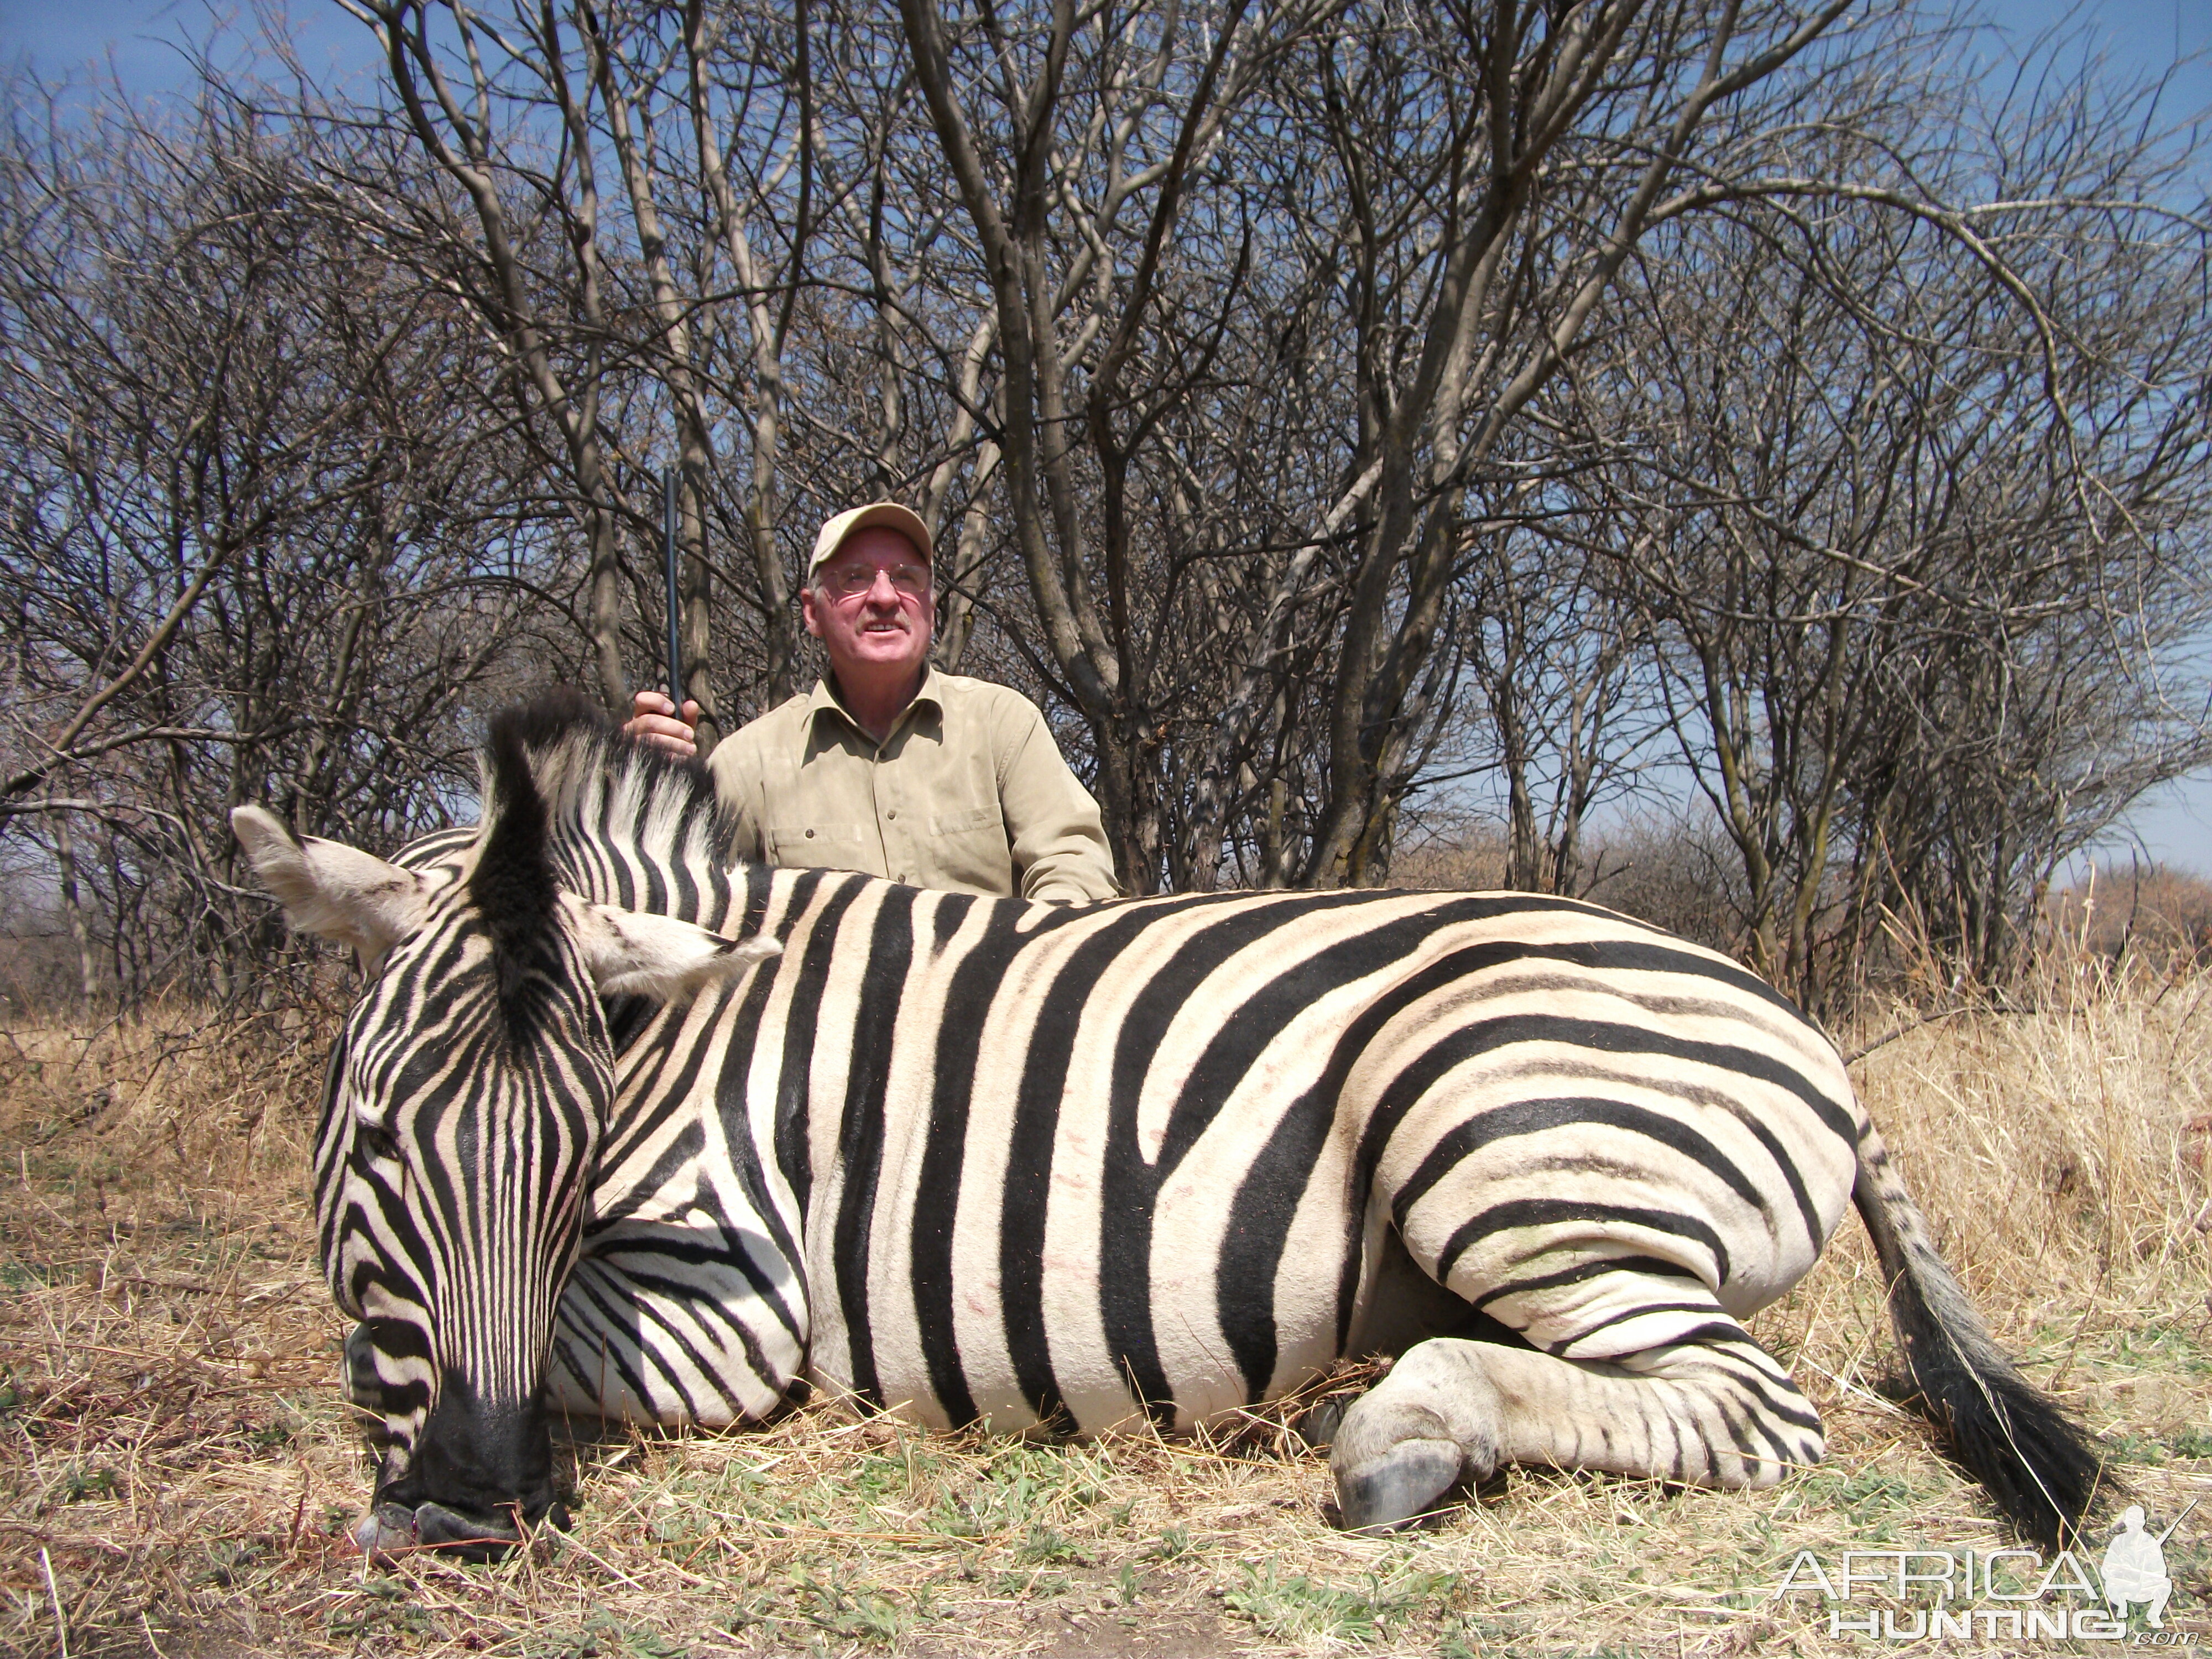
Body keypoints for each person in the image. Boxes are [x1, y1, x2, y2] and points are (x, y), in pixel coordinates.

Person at [626, 501, 1120, 904]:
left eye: (907, 578)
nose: (884, 597)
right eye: (855, 579)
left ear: (930, 605)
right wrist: (634, 792)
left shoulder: (1002, 724)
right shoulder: (747, 762)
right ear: (811, 612)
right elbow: (682, 905)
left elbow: (1074, 862)